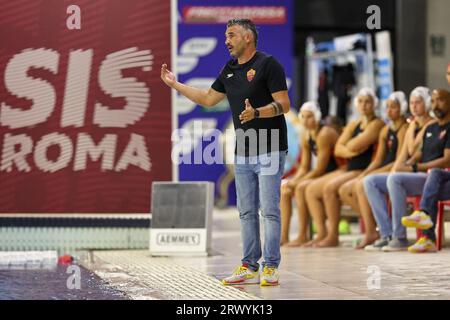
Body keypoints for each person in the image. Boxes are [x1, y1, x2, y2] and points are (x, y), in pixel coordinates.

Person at [161, 19, 290, 286]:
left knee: (269, 210)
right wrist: (175, 85)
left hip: (270, 147)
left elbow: (284, 104)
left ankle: (270, 267)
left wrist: (257, 112)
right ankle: (249, 265)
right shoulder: (230, 69)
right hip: (243, 151)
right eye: (225, 36)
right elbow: (208, 98)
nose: (226, 40)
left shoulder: (268, 65)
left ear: (248, 38)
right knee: (245, 211)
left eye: (231, 35)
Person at [364, 89, 450, 252]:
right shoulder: (431, 128)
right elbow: (418, 154)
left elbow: (446, 159)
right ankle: (386, 234)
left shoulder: (443, 126)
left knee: (396, 179)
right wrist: (407, 165)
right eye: (433, 101)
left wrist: (413, 167)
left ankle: (399, 237)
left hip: (434, 177)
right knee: (371, 181)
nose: (435, 105)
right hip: (423, 175)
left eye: (440, 100)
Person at [304, 88, 384, 247]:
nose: (364, 105)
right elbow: (339, 148)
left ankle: (368, 228)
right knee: (311, 189)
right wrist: (350, 150)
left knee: (331, 189)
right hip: (350, 168)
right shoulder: (354, 123)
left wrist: (349, 146)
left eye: (368, 102)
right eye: (360, 101)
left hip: (365, 169)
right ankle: (325, 234)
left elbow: (357, 143)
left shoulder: (377, 124)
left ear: (374, 104)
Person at [338, 91, 408, 249]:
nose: (389, 111)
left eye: (394, 107)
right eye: (388, 107)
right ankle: (380, 227)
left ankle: (378, 230)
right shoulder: (386, 130)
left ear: (402, 108)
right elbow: (378, 160)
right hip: (385, 169)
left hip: (396, 170)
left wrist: (370, 174)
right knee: (357, 183)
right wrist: (366, 173)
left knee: (361, 184)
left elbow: (398, 161)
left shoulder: (403, 129)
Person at [280, 102, 340, 247]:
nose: (307, 121)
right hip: (322, 175)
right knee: (285, 190)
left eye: (310, 117)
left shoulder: (324, 133)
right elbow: (304, 167)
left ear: (317, 117)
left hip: (335, 172)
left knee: (301, 187)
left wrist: (298, 182)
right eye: (304, 117)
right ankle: (284, 236)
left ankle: (306, 234)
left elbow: (319, 169)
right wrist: (293, 180)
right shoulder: (307, 135)